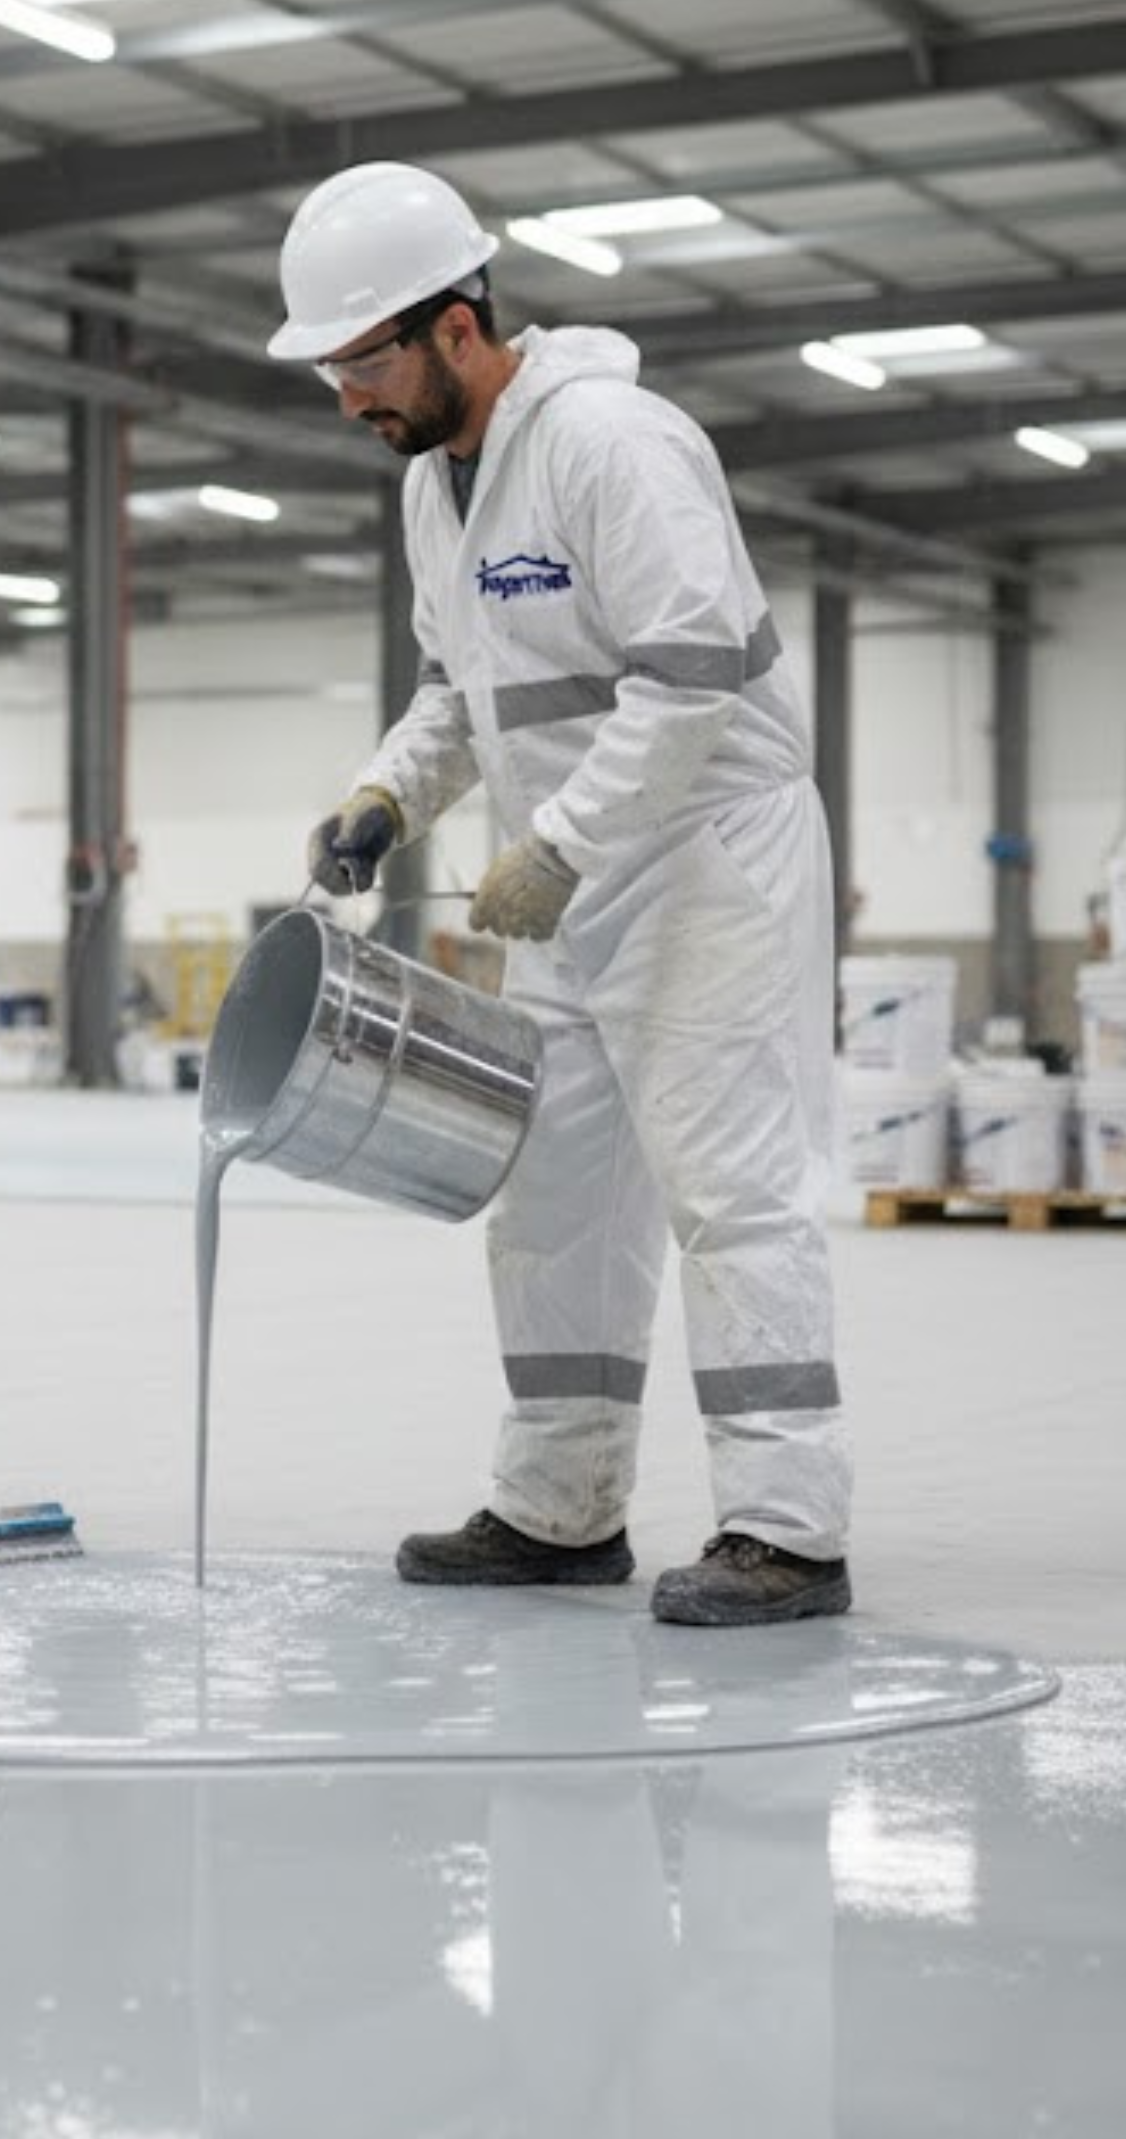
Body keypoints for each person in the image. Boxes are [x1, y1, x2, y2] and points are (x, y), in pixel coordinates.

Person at [271, 162, 850, 1627]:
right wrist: (386, 794)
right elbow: (454, 694)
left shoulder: (612, 441)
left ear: (453, 327)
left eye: (359, 360)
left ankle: (786, 1528)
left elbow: (694, 674)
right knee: (551, 1203)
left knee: (729, 1192)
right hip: (569, 890)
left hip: (705, 862)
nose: (344, 396)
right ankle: (557, 1508)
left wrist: (564, 845)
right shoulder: (430, 489)